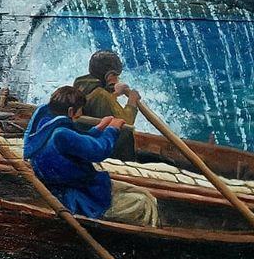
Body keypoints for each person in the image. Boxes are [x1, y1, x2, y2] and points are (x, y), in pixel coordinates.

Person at [23, 85, 158, 227]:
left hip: (70, 188)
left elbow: (77, 140)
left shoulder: (43, 125)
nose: (78, 118)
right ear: (70, 111)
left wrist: (99, 128)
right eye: (77, 116)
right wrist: (112, 129)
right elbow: (99, 150)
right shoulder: (60, 134)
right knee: (145, 202)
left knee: (144, 193)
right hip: (79, 198)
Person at [73, 50, 139, 160]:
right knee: (127, 135)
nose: (118, 79)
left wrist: (115, 93)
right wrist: (132, 101)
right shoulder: (102, 96)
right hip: (104, 149)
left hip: (86, 139)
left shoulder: (80, 83)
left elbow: (94, 100)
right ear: (109, 75)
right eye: (116, 76)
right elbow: (126, 123)